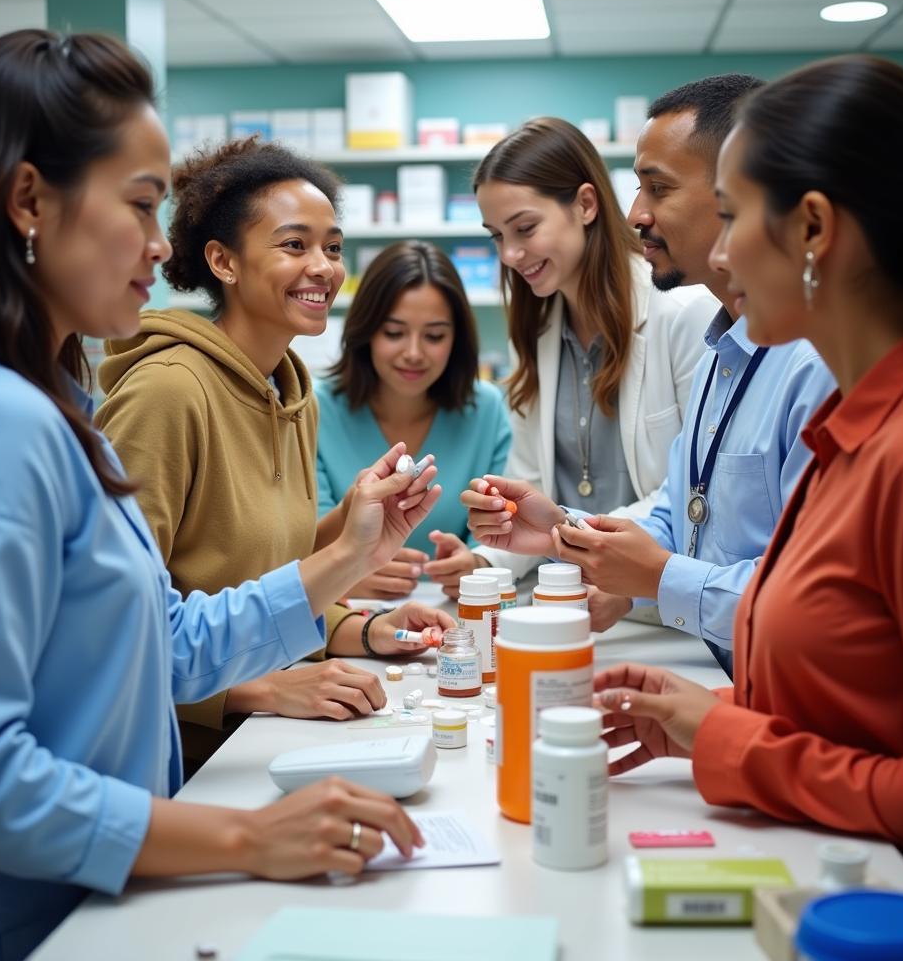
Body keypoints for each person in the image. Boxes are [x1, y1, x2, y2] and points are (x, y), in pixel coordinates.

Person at [0, 30, 428, 961]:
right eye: (141, 207)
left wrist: (348, 556)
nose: (157, 244)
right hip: (16, 925)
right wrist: (245, 839)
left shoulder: (58, 403)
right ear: (29, 201)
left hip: (101, 899)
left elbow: (159, 645)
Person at [594, 54, 903, 848]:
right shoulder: (851, 425)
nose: (724, 258)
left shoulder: (901, 454)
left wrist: (738, 744)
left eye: (732, 216)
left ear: (811, 228)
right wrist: (716, 716)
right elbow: (859, 704)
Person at [96, 144, 452, 772]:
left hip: (264, 743)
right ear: (223, 262)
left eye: (333, 248)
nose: (322, 267)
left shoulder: (289, 392)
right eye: (294, 246)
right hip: (180, 763)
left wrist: (366, 624)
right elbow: (112, 633)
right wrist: (254, 691)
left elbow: (261, 573)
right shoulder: (169, 392)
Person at [467, 82, 835, 677]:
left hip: (764, 672)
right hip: (723, 663)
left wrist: (656, 577)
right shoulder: (727, 346)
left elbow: (820, 605)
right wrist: (562, 531)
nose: (636, 214)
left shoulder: (813, 363)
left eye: (658, 188)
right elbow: (683, 513)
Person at [464, 116, 716, 592]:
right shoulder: (538, 329)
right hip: (568, 595)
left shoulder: (683, 313)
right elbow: (529, 482)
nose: (510, 255)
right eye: (497, 235)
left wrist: (587, 552)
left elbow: (693, 492)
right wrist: (480, 562)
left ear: (584, 204)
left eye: (524, 228)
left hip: (659, 602)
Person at [316, 240, 511, 599]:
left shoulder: (487, 409)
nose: (413, 353)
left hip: (457, 618)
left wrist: (477, 564)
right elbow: (306, 544)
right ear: (366, 331)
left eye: (434, 336)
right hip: (342, 616)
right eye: (394, 333)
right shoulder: (313, 409)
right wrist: (343, 577)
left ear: (457, 339)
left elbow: (503, 532)